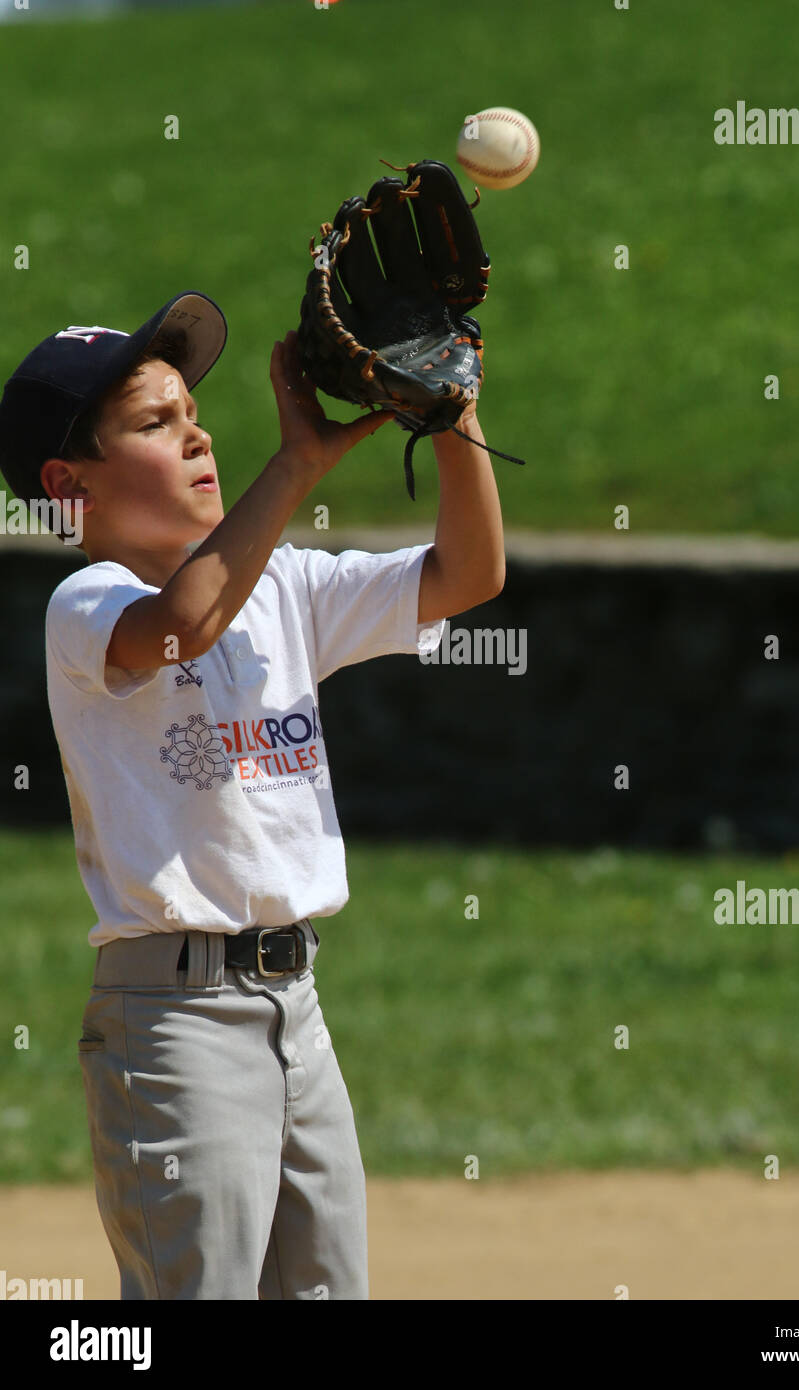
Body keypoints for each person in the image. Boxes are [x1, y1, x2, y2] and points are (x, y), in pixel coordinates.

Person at [0, 291, 505, 1299]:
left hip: (297, 1012)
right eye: (153, 423)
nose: (195, 433)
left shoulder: (286, 589)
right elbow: (179, 626)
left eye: (191, 411)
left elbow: (468, 572)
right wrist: (298, 465)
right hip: (174, 1025)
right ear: (69, 487)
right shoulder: (86, 607)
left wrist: (454, 415)